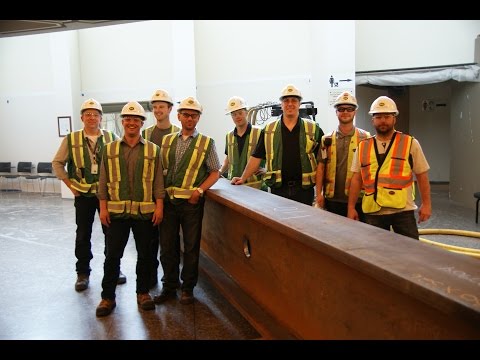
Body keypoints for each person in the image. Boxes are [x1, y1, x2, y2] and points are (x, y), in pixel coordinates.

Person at [95, 101, 164, 317]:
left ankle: (142, 293)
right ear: (122, 121)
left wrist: (159, 207)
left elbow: (158, 182)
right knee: (112, 255)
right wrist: (103, 208)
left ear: (143, 123)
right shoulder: (110, 149)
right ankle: (107, 297)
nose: (132, 122)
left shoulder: (154, 150)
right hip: (117, 214)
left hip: (145, 213)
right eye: (128, 119)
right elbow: (103, 181)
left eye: (136, 119)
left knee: (145, 255)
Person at [52, 98, 127, 292]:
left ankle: (114, 269)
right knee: (83, 234)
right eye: (88, 114)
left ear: (101, 118)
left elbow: (122, 162)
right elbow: (57, 163)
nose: (91, 117)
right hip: (83, 195)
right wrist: (71, 186)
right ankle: (82, 273)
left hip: (106, 195)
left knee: (111, 233)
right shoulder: (72, 139)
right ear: (82, 117)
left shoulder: (111, 137)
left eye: (95, 114)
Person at [154, 96, 220, 305]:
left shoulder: (206, 142)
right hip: (169, 203)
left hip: (191, 205)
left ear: (198, 118)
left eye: (194, 115)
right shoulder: (167, 141)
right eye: (186, 115)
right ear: (179, 116)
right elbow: (160, 170)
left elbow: (215, 172)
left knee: (191, 247)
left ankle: (187, 288)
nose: (189, 118)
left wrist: (198, 191)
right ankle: (169, 286)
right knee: (167, 247)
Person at [347, 96, 432, 240]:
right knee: (376, 254)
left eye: (387, 116)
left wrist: (427, 204)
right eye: (378, 116)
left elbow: (422, 175)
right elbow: (356, 179)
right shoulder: (363, 146)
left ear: (394, 119)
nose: (383, 120)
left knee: (411, 252)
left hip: (403, 210)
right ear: (372, 120)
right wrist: (351, 207)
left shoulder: (410, 143)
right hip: (373, 211)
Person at [231, 84, 323, 205]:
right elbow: (256, 157)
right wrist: (243, 178)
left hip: (304, 190)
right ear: (281, 104)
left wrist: (321, 192)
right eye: (286, 101)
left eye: (294, 100)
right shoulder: (269, 130)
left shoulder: (313, 128)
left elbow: (322, 161)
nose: (290, 104)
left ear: (299, 104)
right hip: (278, 190)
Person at [142, 89, 180, 289]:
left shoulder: (177, 133)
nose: (158, 110)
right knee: (149, 241)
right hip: (149, 195)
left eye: (162, 107)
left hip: (170, 195)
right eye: (155, 107)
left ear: (170, 109)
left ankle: (170, 281)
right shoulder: (146, 133)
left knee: (169, 243)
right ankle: (150, 278)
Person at [315, 91, 370, 221]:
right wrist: (319, 194)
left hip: (358, 200)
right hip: (332, 199)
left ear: (355, 112)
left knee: (357, 237)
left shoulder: (366, 138)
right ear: (336, 112)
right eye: (341, 109)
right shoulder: (326, 139)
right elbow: (321, 168)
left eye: (349, 109)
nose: (345, 112)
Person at [219, 96, 267, 190]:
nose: (237, 116)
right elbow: (229, 158)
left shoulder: (259, 132)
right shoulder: (229, 136)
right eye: (234, 114)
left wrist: (267, 171)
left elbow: (271, 155)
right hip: (234, 185)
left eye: (240, 113)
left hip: (256, 186)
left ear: (246, 112)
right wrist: (219, 172)